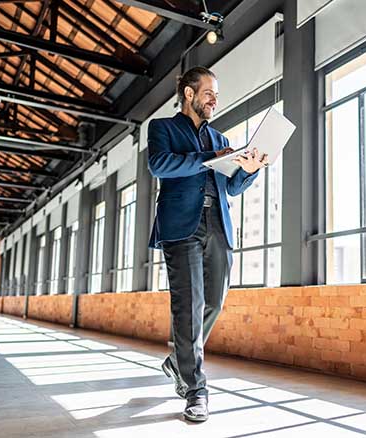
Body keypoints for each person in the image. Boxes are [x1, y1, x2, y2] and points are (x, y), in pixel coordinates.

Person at [147, 66, 268, 422]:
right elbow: (159, 165)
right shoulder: (163, 128)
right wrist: (209, 160)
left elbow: (230, 187)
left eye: (217, 94)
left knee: (213, 301)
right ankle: (196, 389)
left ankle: (177, 361)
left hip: (218, 225)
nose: (215, 99)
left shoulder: (220, 139)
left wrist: (250, 167)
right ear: (188, 93)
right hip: (181, 227)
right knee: (189, 306)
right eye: (209, 92)